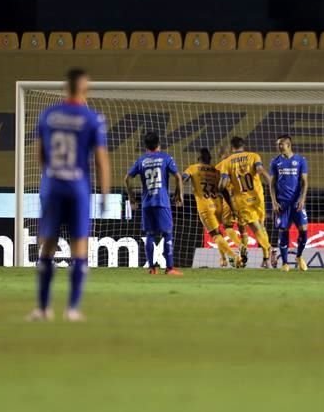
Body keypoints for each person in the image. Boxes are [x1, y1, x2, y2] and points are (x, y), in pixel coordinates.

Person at [30, 68, 111, 322]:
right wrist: (105, 195)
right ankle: (72, 309)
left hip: (53, 185)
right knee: (79, 247)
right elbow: (101, 161)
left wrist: (51, 175)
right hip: (77, 189)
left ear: (65, 87)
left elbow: (39, 153)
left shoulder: (48, 115)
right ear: (85, 88)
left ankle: (43, 309)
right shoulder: (92, 119)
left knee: (48, 247)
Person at [125, 131, 184, 275]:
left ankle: (152, 268)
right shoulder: (166, 158)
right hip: (162, 202)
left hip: (147, 203)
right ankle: (169, 268)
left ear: (145, 145)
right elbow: (178, 176)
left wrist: (132, 197)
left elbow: (127, 178)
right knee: (167, 233)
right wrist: (179, 195)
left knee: (150, 234)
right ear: (159, 144)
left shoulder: (141, 160)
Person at [218, 136, 276, 268]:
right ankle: (265, 259)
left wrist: (221, 189)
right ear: (243, 146)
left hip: (242, 200)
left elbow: (223, 184)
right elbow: (260, 170)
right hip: (258, 196)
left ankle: (269, 248)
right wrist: (271, 181)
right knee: (261, 226)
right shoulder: (254, 156)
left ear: (232, 147)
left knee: (253, 228)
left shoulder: (227, 162)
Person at [180, 148, 238, 267]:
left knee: (215, 235)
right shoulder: (216, 171)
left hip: (205, 206)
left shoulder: (193, 168)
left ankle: (234, 257)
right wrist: (232, 207)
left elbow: (182, 178)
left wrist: (179, 193)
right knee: (220, 233)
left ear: (198, 158)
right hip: (218, 205)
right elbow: (225, 191)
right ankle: (223, 259)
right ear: (210, 159)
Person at [269, 135, 309, 272]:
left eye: (281, 144)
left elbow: (304, 182)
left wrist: (302, 199)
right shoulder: (275, 162)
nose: (279, 147)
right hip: (282, 204)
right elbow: (272, 184)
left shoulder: (300, 160)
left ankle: (299, 256)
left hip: (297, 203)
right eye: (278, 144)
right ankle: (285, 263)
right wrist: (274, 202)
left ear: (288, 144)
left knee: (304, 230)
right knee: (283, 231)